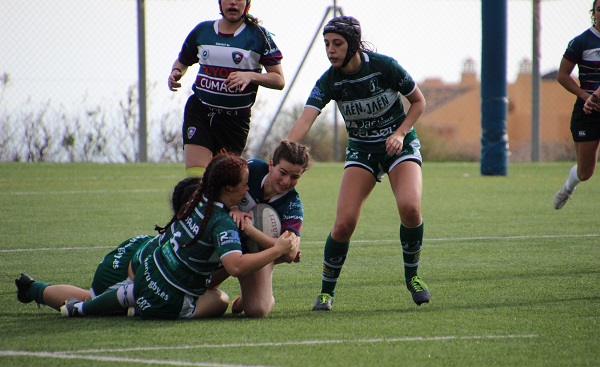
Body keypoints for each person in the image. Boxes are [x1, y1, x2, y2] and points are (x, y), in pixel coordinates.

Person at [286, 16, 429, 311]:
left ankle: (413, 278)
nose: (330, 50)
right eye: (326, 44)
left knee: (410, 208)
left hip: (399, 146)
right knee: (343, 224)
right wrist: (282, 155)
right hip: (362, 151)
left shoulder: (384, 66)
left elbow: (419, 102)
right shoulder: (330, 80)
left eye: (337, 43)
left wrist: (400, 134)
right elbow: (306, 119)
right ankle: (326, 293)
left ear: (353, 43)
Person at [60, 153, 299, 319]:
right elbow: (235, 266)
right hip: (169, 294)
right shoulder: (222, 223)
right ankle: (140, 310)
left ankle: (78, 308)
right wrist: (277, 250)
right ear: (228, 187)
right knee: (220, 299)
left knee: (131, 291)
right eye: (244, 185)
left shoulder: (197, 201)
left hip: (148, 271)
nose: (248, 189)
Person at [15, 177, 201, 311]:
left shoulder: (201, 224)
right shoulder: (198, 230)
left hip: (139, 253)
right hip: (119, 270)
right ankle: (32, 288)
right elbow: (203, 283)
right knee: (88, 300)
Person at [168, 0, 285, 178]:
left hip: (234, 120)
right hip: (200, 110)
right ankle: (194, 203)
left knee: (222, 183)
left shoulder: (258, 36)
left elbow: (278, 80)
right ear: (220, 3)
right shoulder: (203, 31)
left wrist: (250, 76)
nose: (233, 2)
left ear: (247, 5)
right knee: (196, 178)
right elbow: (183, 61)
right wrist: (176, 72)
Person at [209, 140, 310, 317]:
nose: (287, 181)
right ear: (271, 165)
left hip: (258, 254)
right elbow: (218, 189)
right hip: (225, 240)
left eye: (295, 177)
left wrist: (249, 230)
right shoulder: (252, 168)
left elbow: (290, 253)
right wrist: (233, 209)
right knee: (201, 288)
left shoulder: (293, 205)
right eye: (283, 172)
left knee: (257, 310)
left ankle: (251, 297)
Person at [553, 0, 600, 210]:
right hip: (588, 112)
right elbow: (562, 75)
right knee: (585, 172)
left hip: (593, 102)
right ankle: (568, 187)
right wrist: (585, 96)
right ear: (594, 13)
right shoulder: (581, 41)